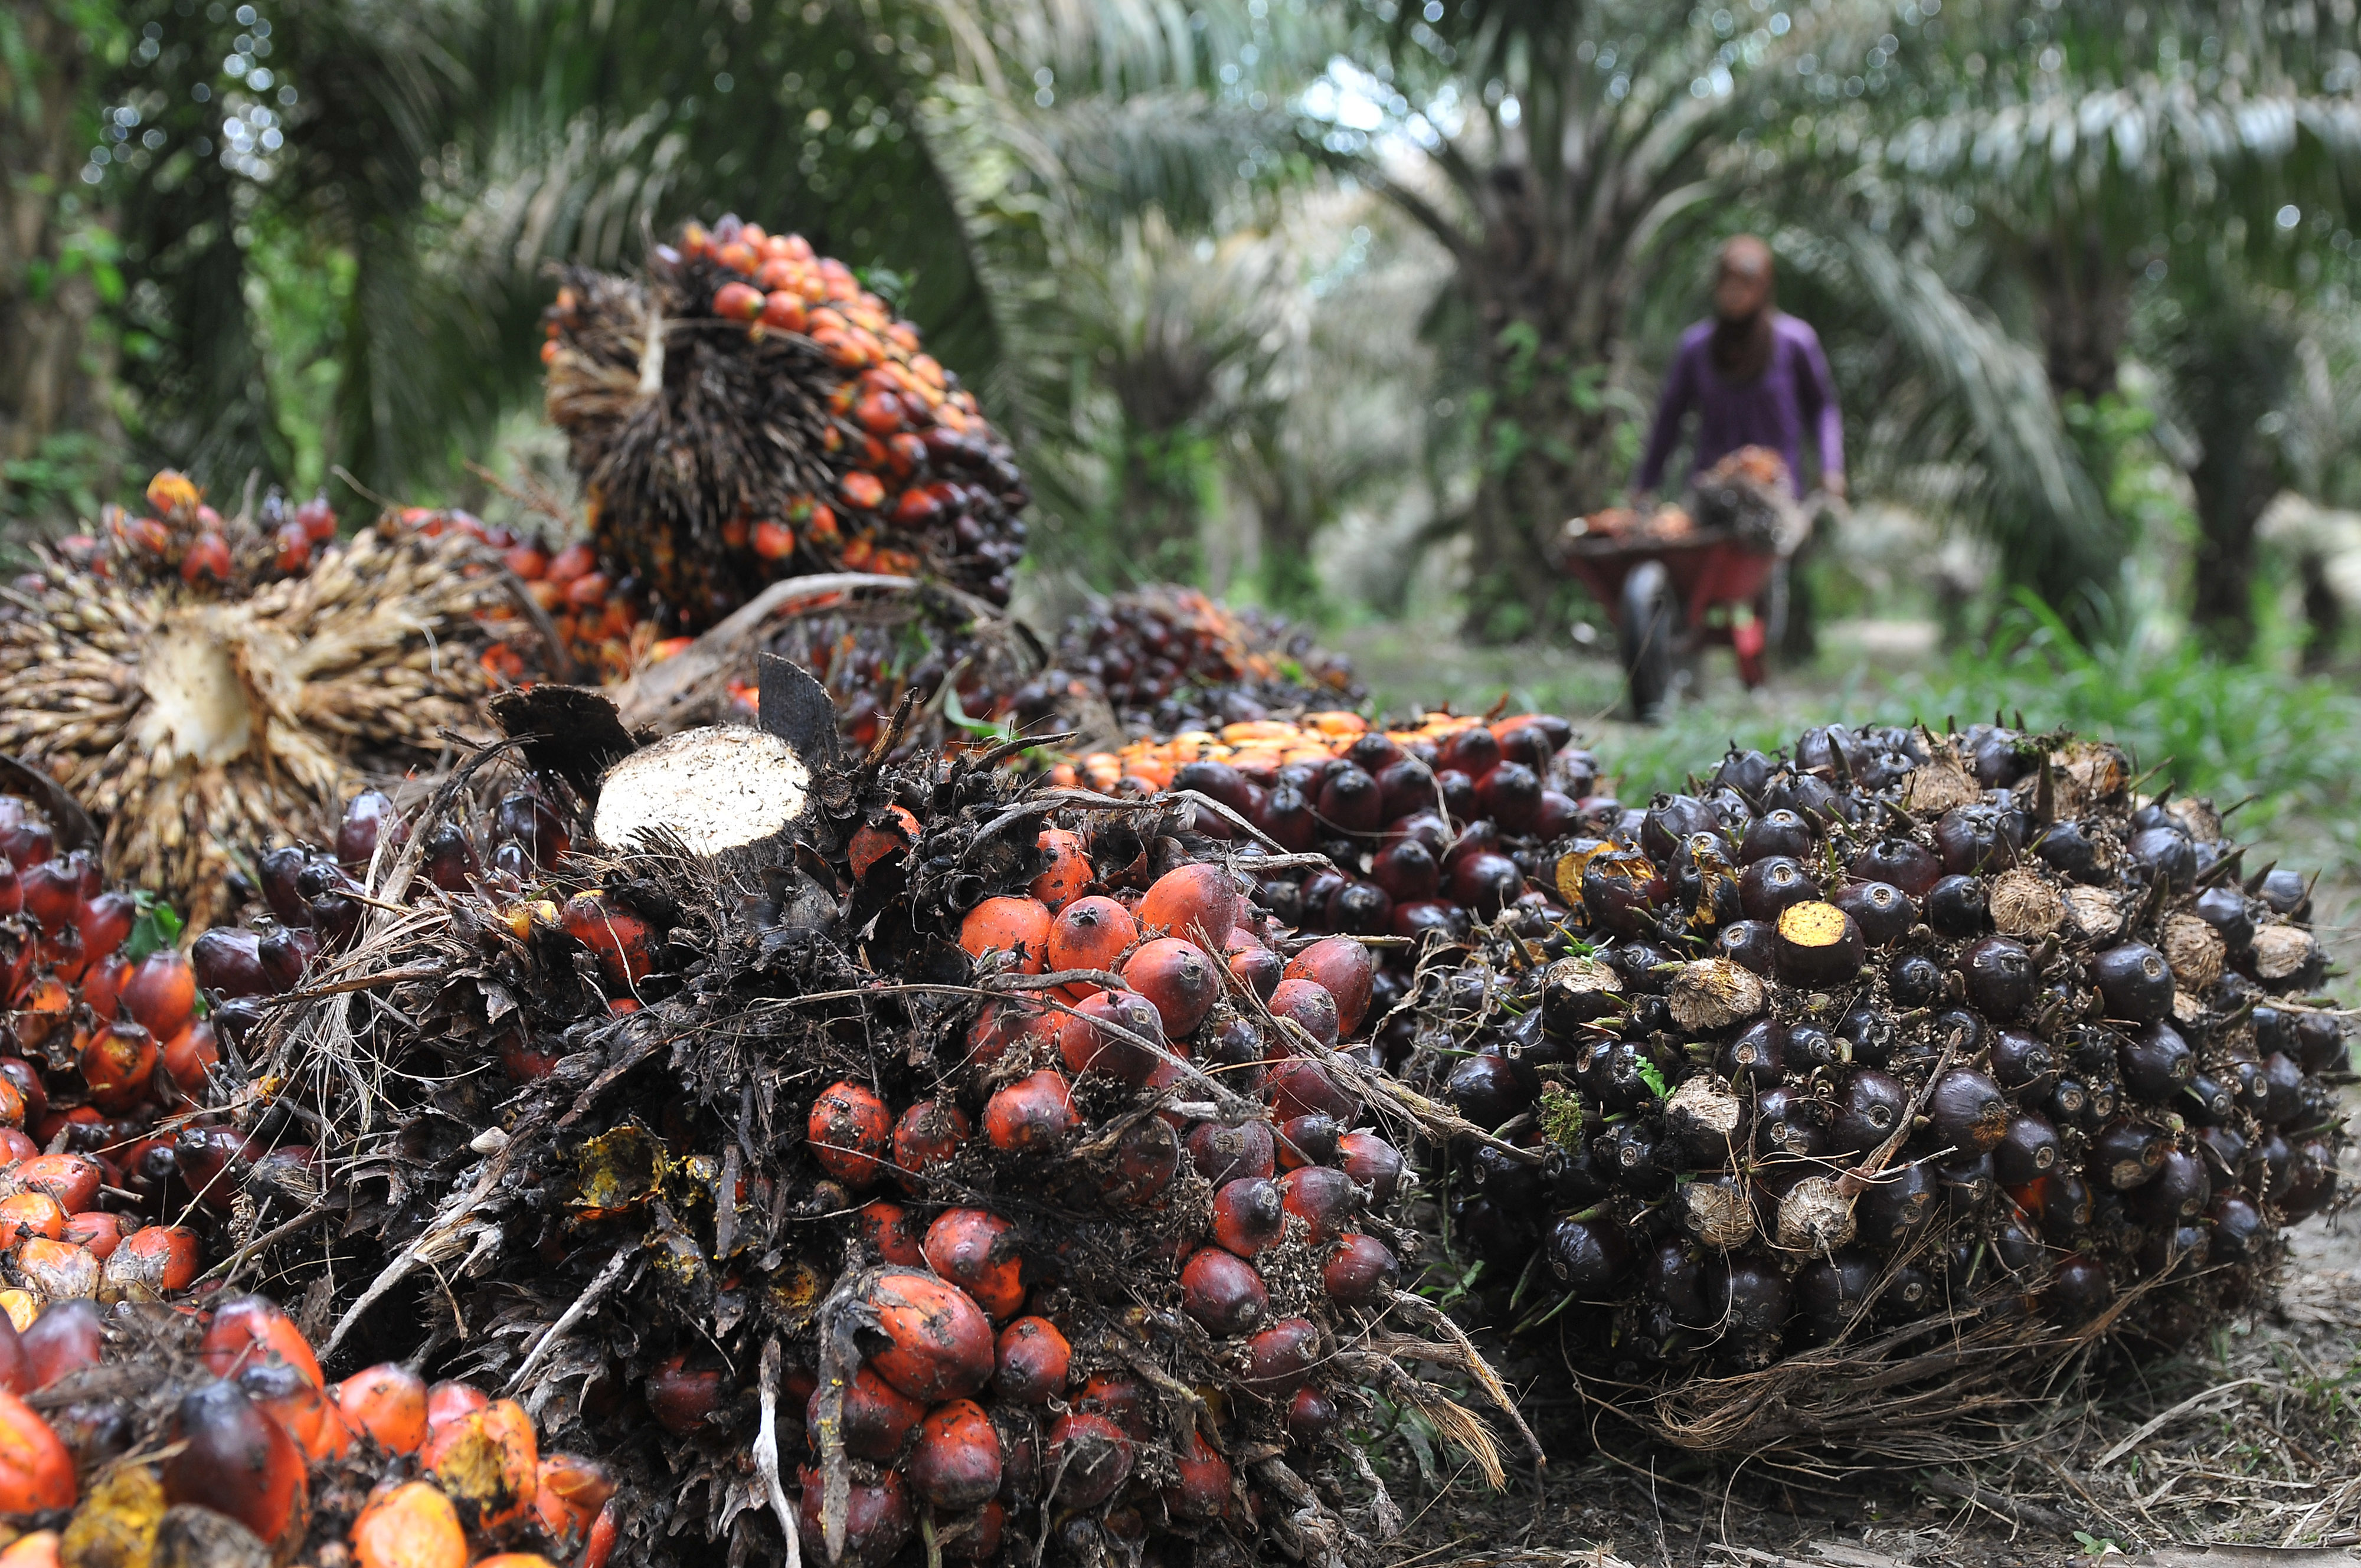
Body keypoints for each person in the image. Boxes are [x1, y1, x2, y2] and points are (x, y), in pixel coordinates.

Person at [1633, 235, 1845, 504]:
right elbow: (1669, 418)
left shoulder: (1794, 342)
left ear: (1763, 287)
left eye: (1745, 283)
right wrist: (1645, 485)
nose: (1735, 291)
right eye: (1728, 281)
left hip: (1777, 495)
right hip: (1710, 496)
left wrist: (1832, 469)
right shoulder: (1696, 347)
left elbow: (1823, 407)